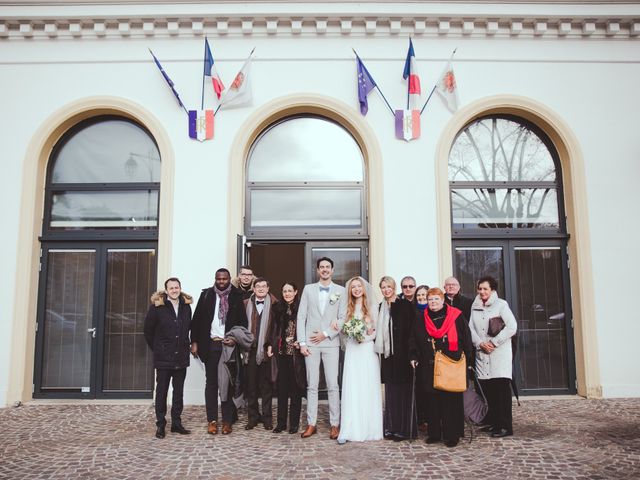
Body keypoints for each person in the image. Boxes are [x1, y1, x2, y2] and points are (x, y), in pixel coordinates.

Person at [409, 287, 473, 448]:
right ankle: (434, 433)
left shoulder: (456, 316)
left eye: (436, 299)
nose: (433, 302)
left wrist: (469, 361)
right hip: (429, 365)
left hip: (451, 364)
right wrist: (413, 356)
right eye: (430, 300)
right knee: (432, 401)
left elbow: (466, 338)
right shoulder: (420, 318)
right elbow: (413, 340)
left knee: (450, 400)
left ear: (442, 300)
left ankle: (452, 434)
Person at [190, 268, 248, 435]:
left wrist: (236, 339)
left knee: (228, 384)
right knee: (212, 383)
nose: (221, 281)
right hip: (211, 345)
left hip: (229, 346)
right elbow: (196, 321)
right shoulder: (207, 295)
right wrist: (194, 342)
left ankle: (227, 421)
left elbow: (242, 323)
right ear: (215, 279)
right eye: (219, 279)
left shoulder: (236, 296)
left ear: (229, 279)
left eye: (224, 279)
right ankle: (212, 420)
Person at [297, 257, 346, 440]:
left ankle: (335, 424)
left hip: (331, 343)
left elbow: (343, 318)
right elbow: (301, 317)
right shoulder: (308, 289)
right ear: (318, 270)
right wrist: (302, 343)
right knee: (312, 385)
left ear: (332, 270)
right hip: (310, 344)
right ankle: (311, 424)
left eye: (328, 267)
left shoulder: (341, 291)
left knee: (333, 385)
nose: (325, 270)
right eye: (322, 267)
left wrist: (325, 333)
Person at [144, 277, 193, 439]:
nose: (174, 290)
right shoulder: (157, 308)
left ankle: (176, 424)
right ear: (166, 290)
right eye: (171, 288)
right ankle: (160, 425)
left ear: (180, 288)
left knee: (178, 392)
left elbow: (188, 329)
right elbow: (148, 332)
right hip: (163, 358)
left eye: (176, 287)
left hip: (181, 358)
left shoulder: (186, 307)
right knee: (162, 392)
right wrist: (159, 348)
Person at [469, 275, 517, 438]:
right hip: (482, 354)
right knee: (488, 392)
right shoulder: (474, 306)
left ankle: (505, 426)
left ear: (492, 290)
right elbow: (470, 329)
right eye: (480, 288)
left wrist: (494, 343)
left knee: (501, 392)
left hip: (499, 355)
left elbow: (512, 327)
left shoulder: (501, 305)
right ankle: (493, 423)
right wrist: (480, 343)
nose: (482, 291)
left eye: (485, 289)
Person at [337, 276, 383, 444]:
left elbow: (377, 330)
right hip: (352, 351)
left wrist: (364, 338)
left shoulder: (372, 307)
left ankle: (370, 428)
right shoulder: (347, 308)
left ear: (364, 288)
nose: (356, 289)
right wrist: (343, 329)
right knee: (352, 387)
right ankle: (349, 428)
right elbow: (343, 329)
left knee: (367, 386)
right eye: (353, 287)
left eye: (359, 286)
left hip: (367, 350)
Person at [375, 276, 416, 441]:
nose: (386, 290)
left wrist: (413, 354)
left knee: (403, 393)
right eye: (383, 287)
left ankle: (404, 429)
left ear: (393, 288)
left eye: (389, 287)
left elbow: (412, 332)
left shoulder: (405, 306)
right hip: (387, 356)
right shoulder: (380, 307)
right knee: (391, 393)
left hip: (403, 356)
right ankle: (391, 427)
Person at [267, 281, 306, 434]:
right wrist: (270, 344)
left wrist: (301, 341)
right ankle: (281, 423)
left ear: (296, 292)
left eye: (290, 290)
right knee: (282, 390)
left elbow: (307, 327)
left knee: (295, 390)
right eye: (284, 291)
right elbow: (273, 329)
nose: (287, 293)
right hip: (281, 354)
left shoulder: (302, 308)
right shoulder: (277, 308)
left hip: (296, 355)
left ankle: (294, 424)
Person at [243, 277, 277, 430]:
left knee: (266, 387)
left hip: (266, 351)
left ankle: (267, 418)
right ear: (254, 289)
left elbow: (277, 329)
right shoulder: (245, 304)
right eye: (258, 286)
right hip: (249, 351)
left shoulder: (275, 305)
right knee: (251, 387)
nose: (261, 288)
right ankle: (252, 417)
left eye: (264, 286)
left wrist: (272, 345)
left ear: (268, 288)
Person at [413, 285, 430, 432]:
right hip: (418, 355)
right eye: (419, 295)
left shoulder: (433, 311)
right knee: (419, 389)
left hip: (432, 356)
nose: (421, 298)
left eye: (424, 295)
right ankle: (421, 419)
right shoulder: (413, 312)